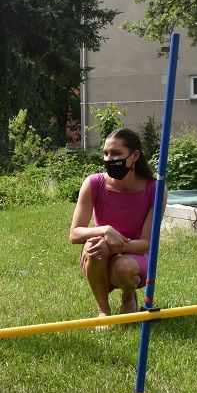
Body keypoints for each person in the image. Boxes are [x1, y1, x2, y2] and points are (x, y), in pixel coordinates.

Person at [70, 127, 158, 325]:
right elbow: (75, 234)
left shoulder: (154, 189)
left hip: (137, 256)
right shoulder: (94, 183)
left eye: (116, 153)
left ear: (134, 156)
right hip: (98, 254)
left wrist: (112, 245)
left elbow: (145, 244)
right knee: (93, 245)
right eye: (106, 153)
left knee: (122, 267)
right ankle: (103, 311)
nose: (109, 159)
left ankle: (128, 294)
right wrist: (104, 230)